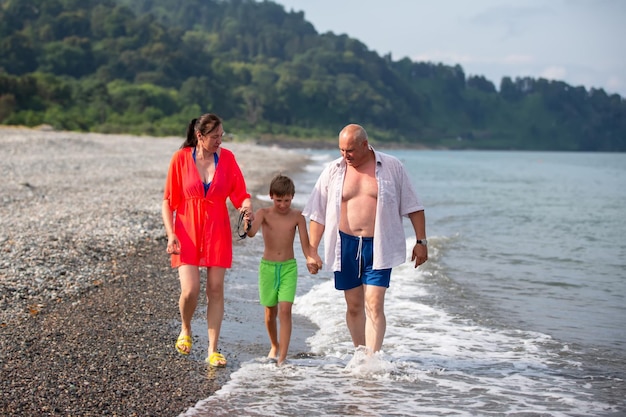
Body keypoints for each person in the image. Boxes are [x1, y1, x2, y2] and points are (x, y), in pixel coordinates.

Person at [303, 123, 427, 354]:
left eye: (349, 150)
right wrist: (312, 251)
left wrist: (421, 242)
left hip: (379, 244)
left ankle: (373, 358)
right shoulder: (333, 170)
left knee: (374, 303)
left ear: (364, 144)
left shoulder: (392, 167)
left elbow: (414, 207)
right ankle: (360, 353)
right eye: (341, 150)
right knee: (354, 306)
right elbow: (317, 213)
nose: (345, 155)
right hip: (345, 245)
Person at [161, 113, 254, 368]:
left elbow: (241, 195)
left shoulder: (228, 159)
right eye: (214, 137)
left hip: (218, 229)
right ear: (199, 136)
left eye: (221, 137)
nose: (219, 142)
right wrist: (171, 234)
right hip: (187, 230)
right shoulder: (181, 159)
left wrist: (247, 210)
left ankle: (213, 349)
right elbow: (168, 201)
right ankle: (186, 328)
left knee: (215, 288)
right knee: (190, 289)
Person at [246, 174, 319, 365]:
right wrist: (248, 222)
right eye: (279, 200)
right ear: (271, 196)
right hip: (267, 268)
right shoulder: (263, 213)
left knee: (285, 310)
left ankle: (282, 358)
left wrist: (311, 259)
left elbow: (305, 245)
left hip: (288, 268)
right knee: (270, 311)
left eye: (287, 200)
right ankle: (274, 345)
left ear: (292, 197)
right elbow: (252, 233)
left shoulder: (297, 217)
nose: (283, 204)